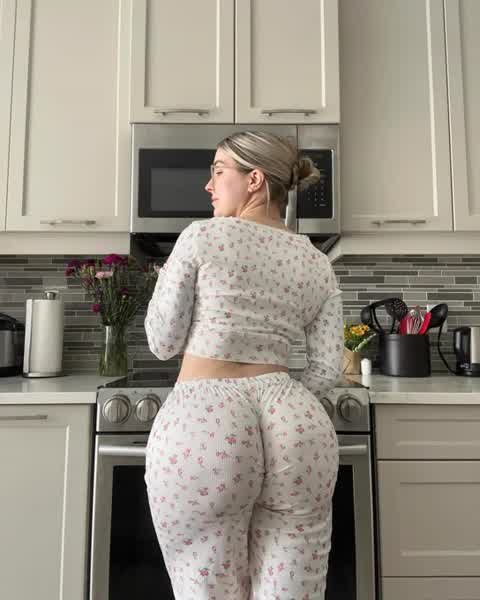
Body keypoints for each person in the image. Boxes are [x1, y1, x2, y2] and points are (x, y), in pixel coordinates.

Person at [144, 131, 343, 600]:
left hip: (205, 426)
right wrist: (281, 394)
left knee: (207, 587)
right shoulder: (317, 262)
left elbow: (162, 341)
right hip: (295, 424)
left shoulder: (201, 237)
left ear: (254, 180)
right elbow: (326, 369)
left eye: (218, 172)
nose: (208, 185)